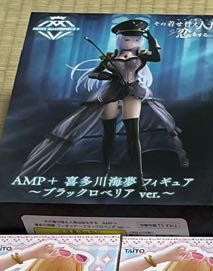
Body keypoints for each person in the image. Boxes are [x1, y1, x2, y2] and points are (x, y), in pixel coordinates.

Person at [19, 17, 188, 181]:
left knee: (133, 133)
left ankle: (139, 176)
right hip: (111, 92)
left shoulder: (143, 55)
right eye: (128, 39)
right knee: (109, 134)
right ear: (120, 39)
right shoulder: (108, 57)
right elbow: (93, 73)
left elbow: (157, 57)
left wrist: (151, 38)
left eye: (137, 40)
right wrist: (103, 75)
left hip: (133, 92)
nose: (133, 43)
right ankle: (105, 171)